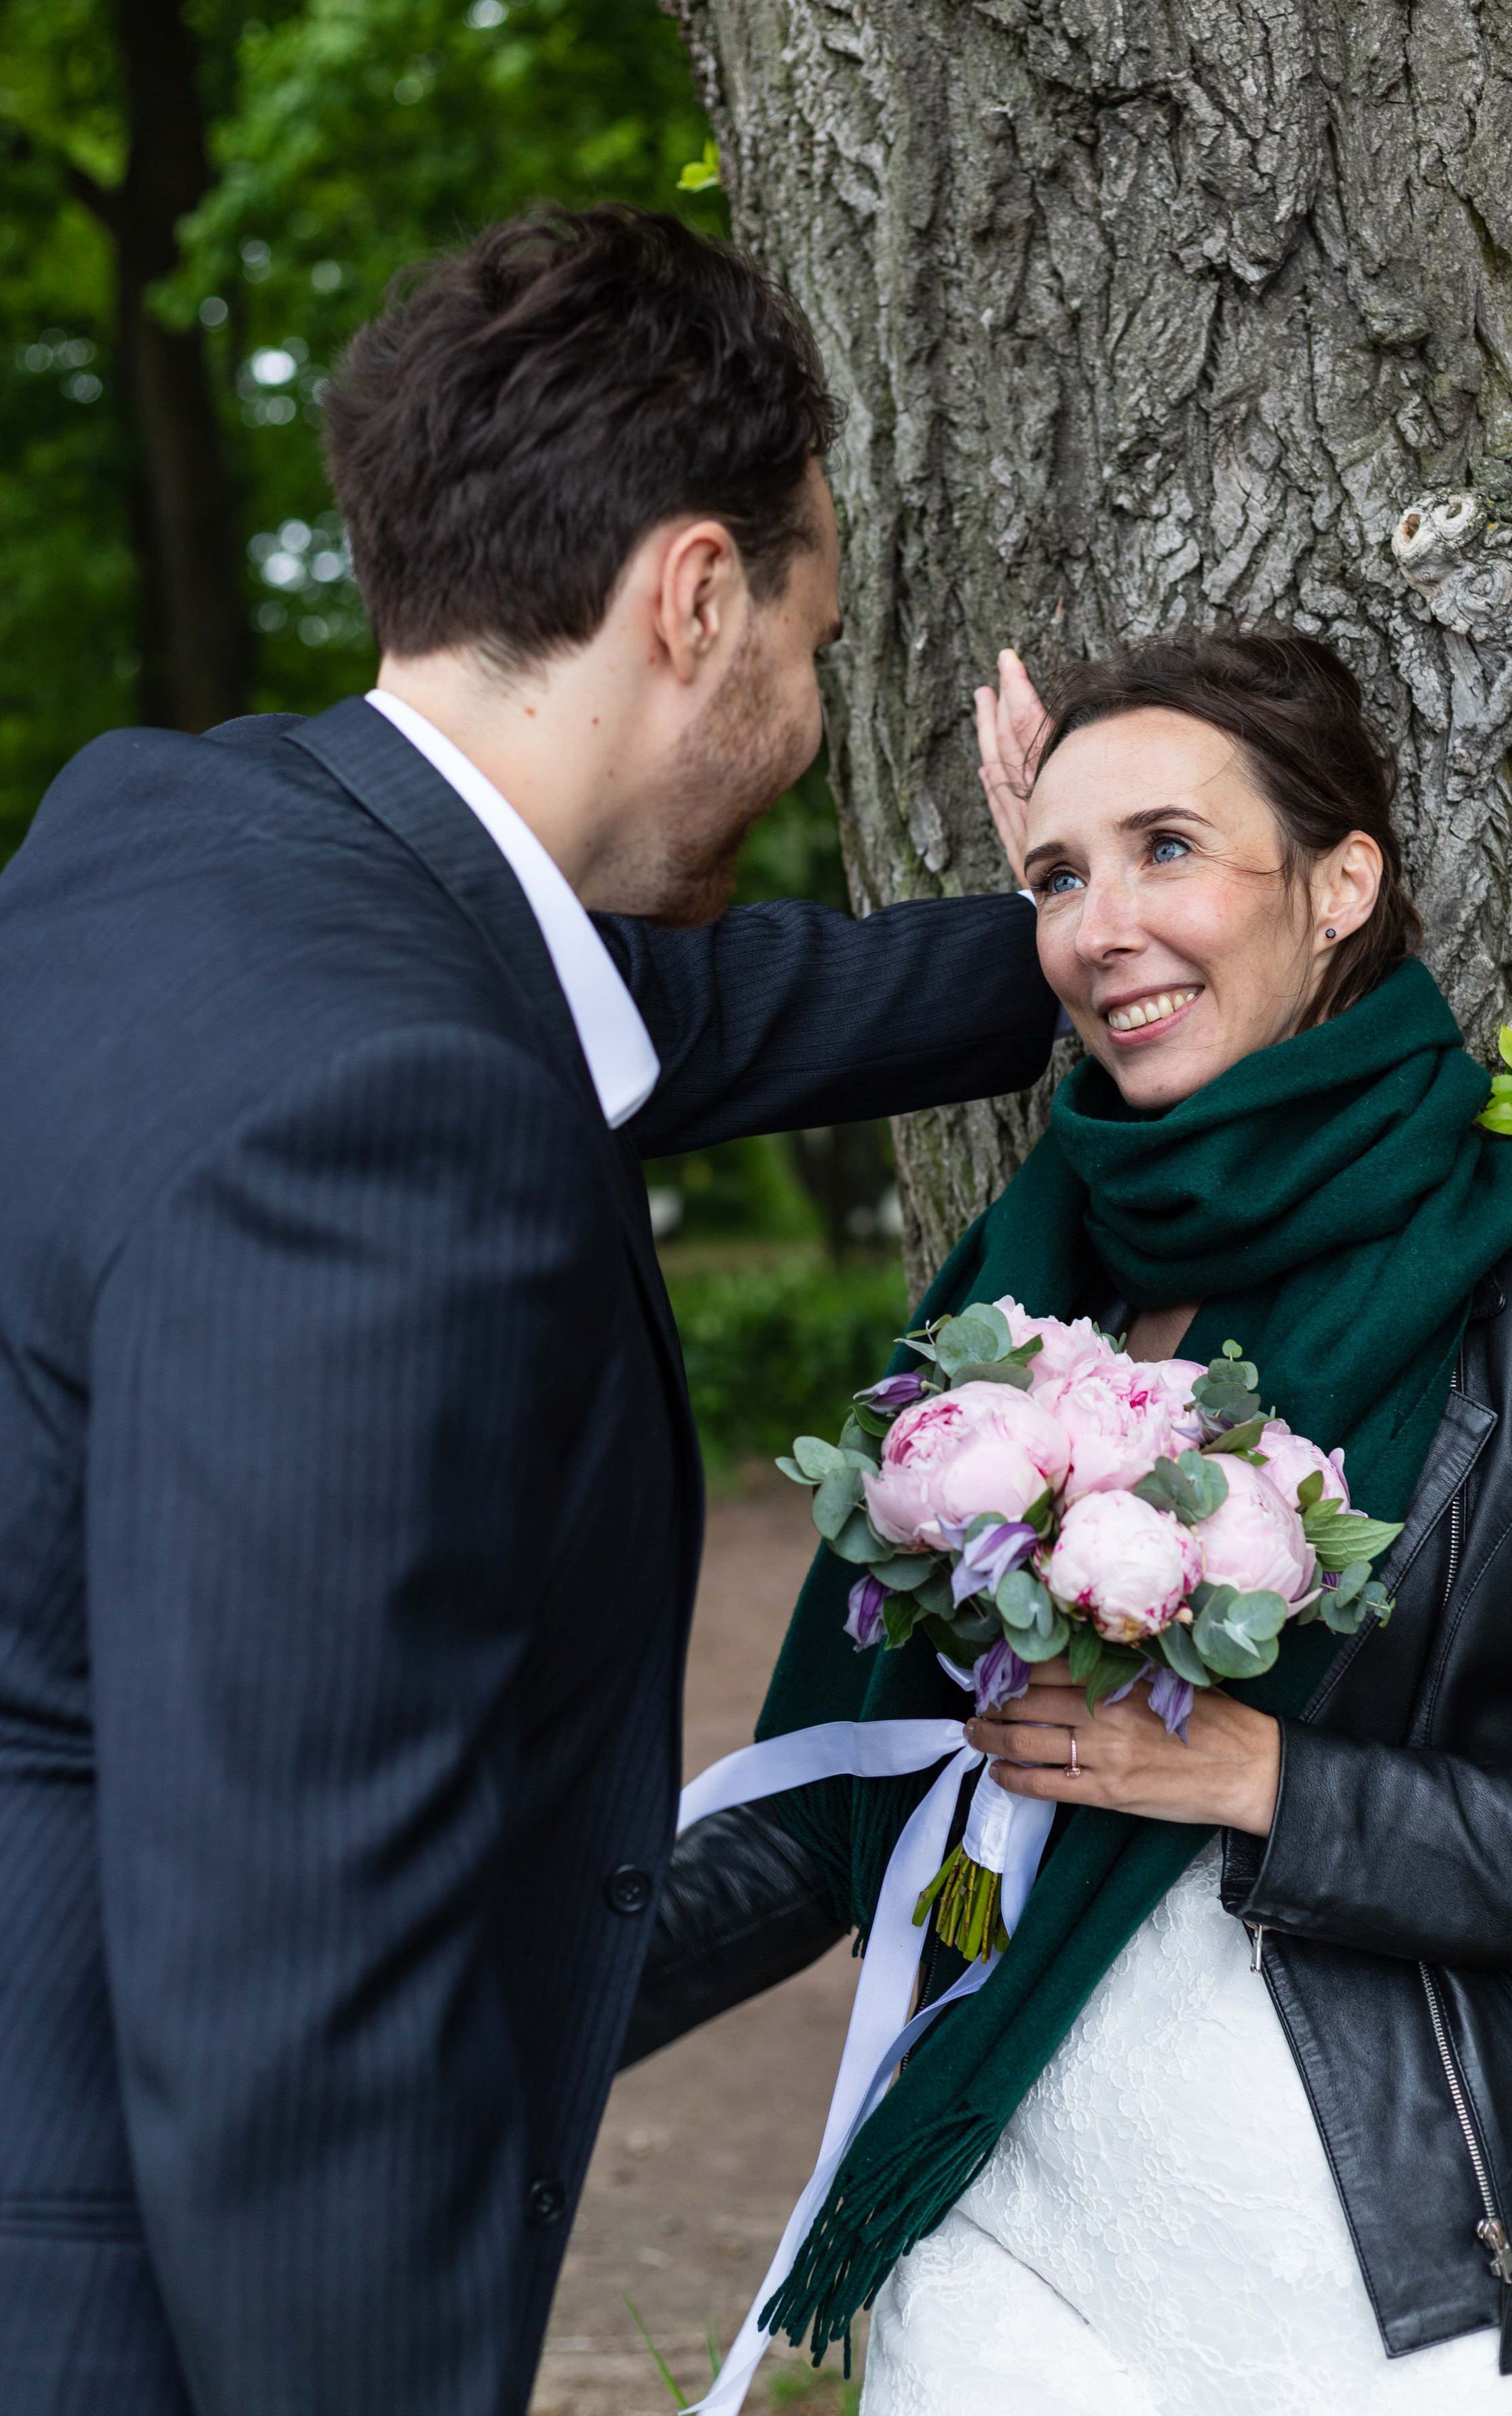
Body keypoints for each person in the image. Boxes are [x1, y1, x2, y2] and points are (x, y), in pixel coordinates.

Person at [0, 206, 1063, 2416]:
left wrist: (1081, 944)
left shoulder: (175, 835)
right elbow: (303, 2008)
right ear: (694, 595)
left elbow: (647, 1011)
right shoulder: (389, 1115)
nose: (807, 716)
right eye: (812, 637)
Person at [639, 628, 1512, 2414]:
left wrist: (1269, 1782)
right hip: (1001, 2218)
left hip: (1389, 2278)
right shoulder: (1023, 1283)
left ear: (1342, 882)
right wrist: (456, 2033)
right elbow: (845, 1794)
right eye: (1058, 873)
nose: (1097, 921)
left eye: (1168, 847)